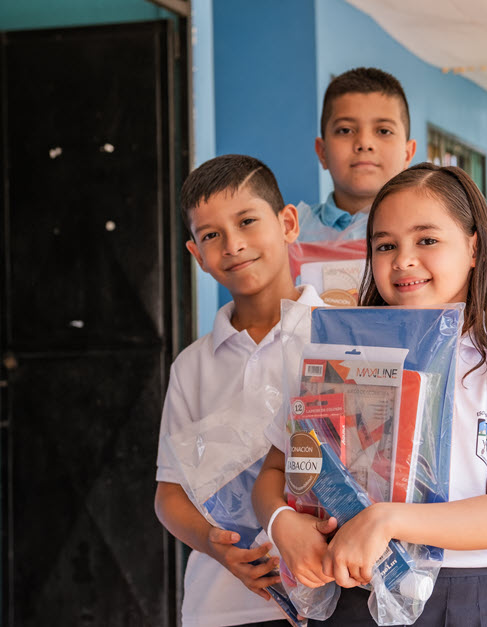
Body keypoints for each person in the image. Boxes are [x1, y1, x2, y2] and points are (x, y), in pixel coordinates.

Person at [252, 163, 487, 626]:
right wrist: (282, 523)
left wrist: (386, 521)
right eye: (385, 245)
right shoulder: (336, 357)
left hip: (466, 599)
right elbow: (275, 472)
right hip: (347, 593)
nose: (404, 260)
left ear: (477, 247)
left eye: (427, 240)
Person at [154, 154, 325, 627]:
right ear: (197, 255)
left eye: (247, 221)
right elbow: (169, 495)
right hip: (220, 606)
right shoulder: (192, 366)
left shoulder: (336, 340)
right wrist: (213, 545)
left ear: (288, 223)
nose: (233, 244)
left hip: (328, 597)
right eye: (211, 235)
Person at [298, 67, 417, 242]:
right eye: (345, 130)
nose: (364, 143)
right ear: (322, 152)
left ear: (408, 154)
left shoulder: (431, 232)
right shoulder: (290, 234)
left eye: (384, 131)